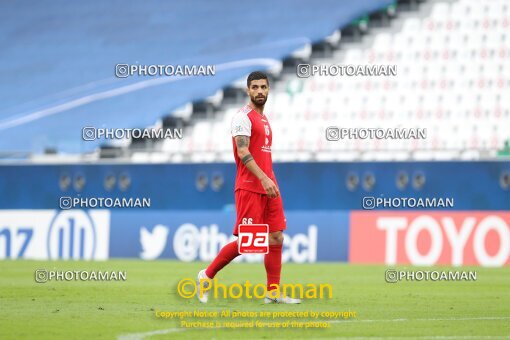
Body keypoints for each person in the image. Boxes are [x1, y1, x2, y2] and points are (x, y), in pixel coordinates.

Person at [196, 71, 300, 304]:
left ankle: (273, 292)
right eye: (255, 87)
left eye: (263, 87)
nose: (260, 91)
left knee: (276, 237)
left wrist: (269, 180)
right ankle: (206, 275)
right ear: (248, 90)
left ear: (269, 89)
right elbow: (243, 152)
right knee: (248, 243)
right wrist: (264, 178)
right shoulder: (243, 117)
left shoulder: (265, 120)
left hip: (269, 186)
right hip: (251, 187)